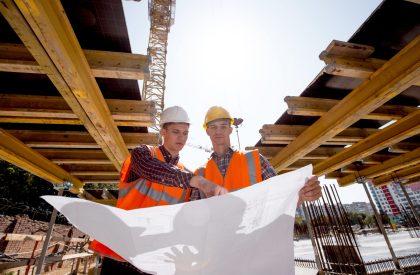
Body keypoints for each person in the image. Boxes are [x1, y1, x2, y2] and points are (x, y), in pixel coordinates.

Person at [90, 106, 227, 275]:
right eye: (176, 131)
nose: (181, 138)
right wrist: (197, 181)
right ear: (163, 131)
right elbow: (152, 169)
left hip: (153, 262)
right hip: (122, 257)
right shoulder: (143, 154)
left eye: (185, 133)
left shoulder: (188, 176)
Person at [194, 106, 322, 204]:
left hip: (255, 236)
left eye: (223, 126)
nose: (218, 131)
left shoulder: (254, 160)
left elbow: (280, 194)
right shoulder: (199, 174)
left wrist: (302, 195)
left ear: (230, 129)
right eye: (213, 127)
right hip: (218, 238)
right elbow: (192, 215)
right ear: (207, 131)